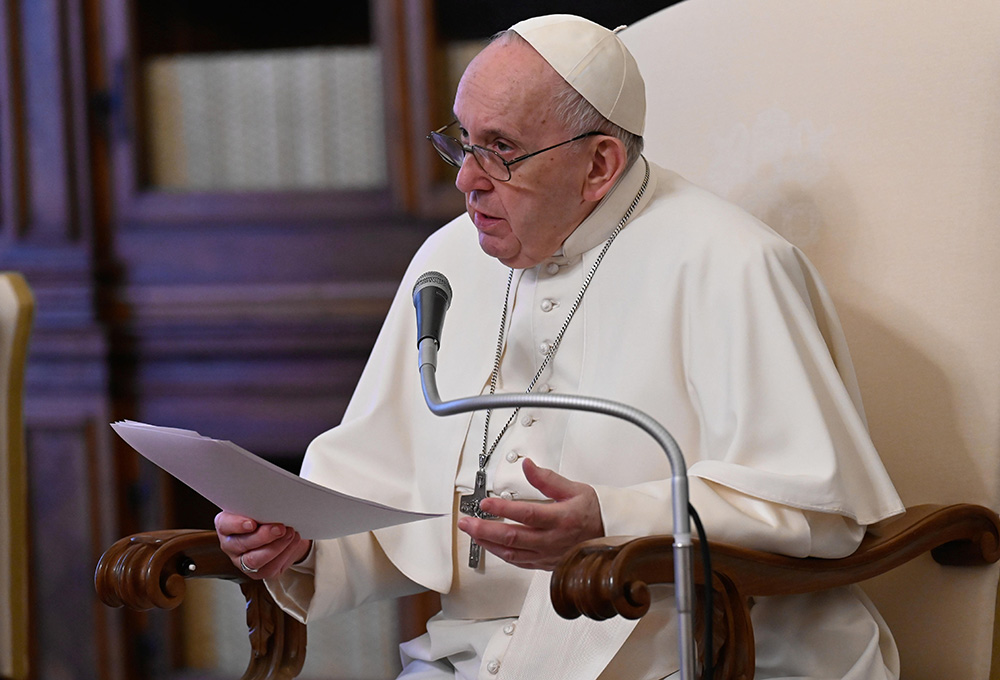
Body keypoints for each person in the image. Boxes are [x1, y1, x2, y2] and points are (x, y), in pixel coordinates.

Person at [216, 14, 904, 680]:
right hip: (470, 660)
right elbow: (388, 491)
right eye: (462, 140)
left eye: (501, 149)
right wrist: (303, 540)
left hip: (687, 655)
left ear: (599, 164)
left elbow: (819, 511)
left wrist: (612, 520)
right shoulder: (451, 257)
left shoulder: (731, 262)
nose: (466, 180)